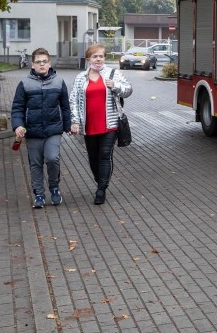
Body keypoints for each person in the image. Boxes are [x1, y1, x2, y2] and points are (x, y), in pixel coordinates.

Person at [69, 43, 132, 205]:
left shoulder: (112, 73)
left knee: (105, 155)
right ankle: (100, 180)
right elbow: (73, 101)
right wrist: (75, 121)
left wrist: (115, 86)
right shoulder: (81, 77)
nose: (98, 59)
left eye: (101, 56)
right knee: (93, 157)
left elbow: (128, 90)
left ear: (105, 58)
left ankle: (101, 189)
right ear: (88, 59)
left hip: (109, 124)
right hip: (88, 124)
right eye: (95, 56)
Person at [11, 48, 71, 209]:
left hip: (53, 130)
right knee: (35, 163)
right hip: (33, 131)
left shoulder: (59, 82)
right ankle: (39, 194)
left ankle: (54, 187)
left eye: (45, 61)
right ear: (33, 65)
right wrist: (18, 126)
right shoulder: (24, 84)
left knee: (52, 158)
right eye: (38, 62)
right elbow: (17, 108)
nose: (42, 64)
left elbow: (65, 107)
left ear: (49, 63)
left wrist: (68, 126)